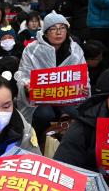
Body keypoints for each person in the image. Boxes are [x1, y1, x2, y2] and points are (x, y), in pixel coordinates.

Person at [14, 11, 87, 139]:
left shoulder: (74, 49)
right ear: (45, 32)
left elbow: (83, 75)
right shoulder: (32, 49)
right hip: (42, 98)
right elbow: (23, 73)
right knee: (44, 114)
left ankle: (69, 143)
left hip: (66, 95)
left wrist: (84, 88)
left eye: (62, 28)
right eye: (53, 29)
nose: (58, 32)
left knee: (73, 112)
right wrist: (26, 85)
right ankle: (37, 141)